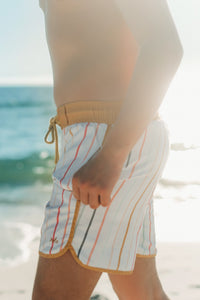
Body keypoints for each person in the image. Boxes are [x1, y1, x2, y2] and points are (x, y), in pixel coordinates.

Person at [32, 0, 183, 299]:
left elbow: (165, 46)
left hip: (106, 138)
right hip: (113, 134)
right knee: (141, 289)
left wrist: (113, 153)